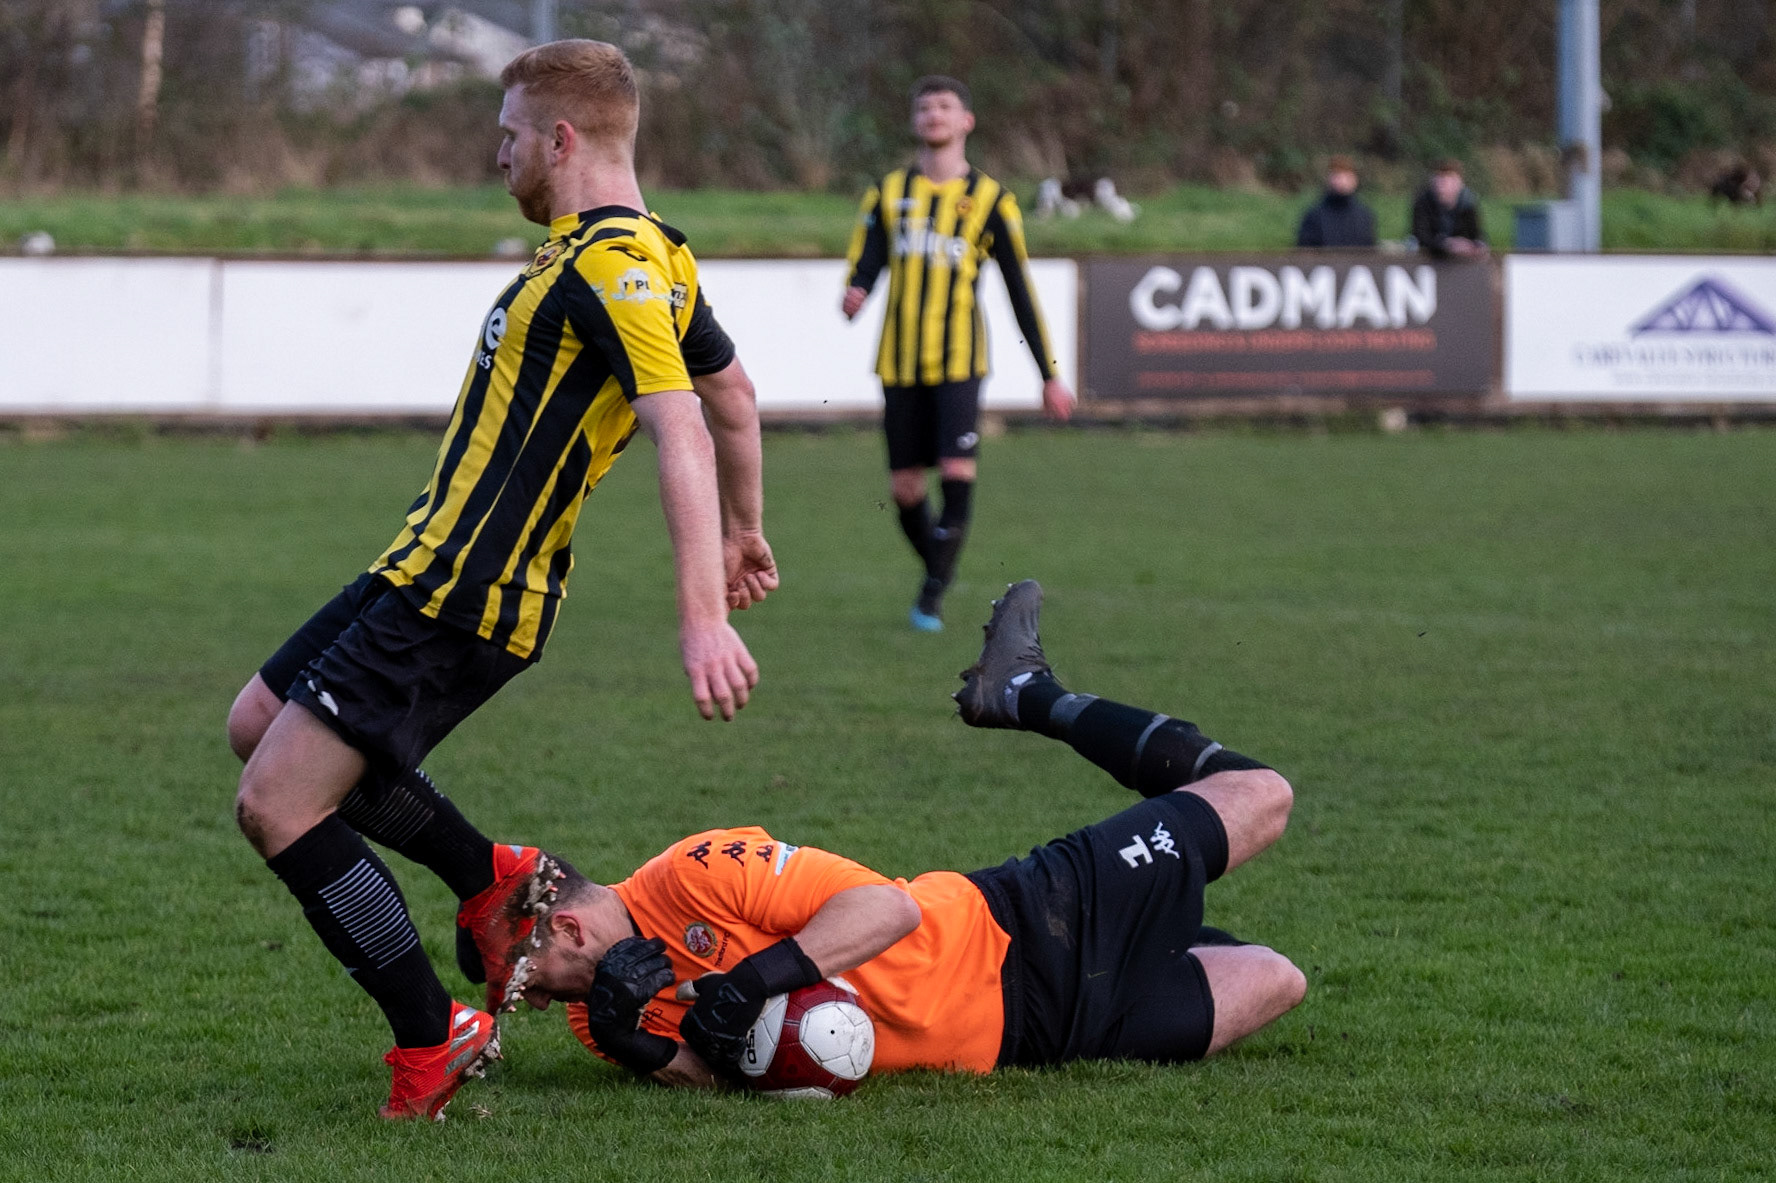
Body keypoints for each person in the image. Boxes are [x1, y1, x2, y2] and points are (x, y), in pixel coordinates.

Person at [223, 39, 779, 1121]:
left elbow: (683, 424)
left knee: (277, 804)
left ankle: (431, 1034)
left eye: (510, 134)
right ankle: (489, 874)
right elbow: (738, 396)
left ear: (561, 140)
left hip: (464, 591)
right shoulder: (651, 255)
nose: (500, 154)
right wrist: (747, 529)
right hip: (420, 566)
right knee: (257, 724)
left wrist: (704, 613)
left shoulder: (616, 265)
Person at [511, 581, 1306, 1087]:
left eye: (528, 979)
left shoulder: (695, 870)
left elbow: (888, 909)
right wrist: (635, 1045)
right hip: (1033, 1039)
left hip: (1019, 930)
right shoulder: (594, 1014)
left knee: (1263, 794)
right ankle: (1156, 930)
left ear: (567, 926)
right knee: (1277, 978)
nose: (539, 1003)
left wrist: (756, 981)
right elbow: (710, 1078)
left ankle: (1029, 694)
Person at [842, 77, 1076, 634]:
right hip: (898, 361)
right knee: (904, 489)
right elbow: (868, 258)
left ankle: (931, 595)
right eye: (924, 107)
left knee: (955, 468)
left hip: (960, 361)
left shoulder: (992, 200)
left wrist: (1049, 375)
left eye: (945, 107)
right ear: (914, 121)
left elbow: (1020, 290)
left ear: (966, 121)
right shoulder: (888, 191)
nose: (934, 115)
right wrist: (857, 289)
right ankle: (940, 569)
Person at [1410, 159, 1488, 258]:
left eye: (1447, 180)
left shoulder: (1468, 203)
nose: (1442, 185)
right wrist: (1445, 244)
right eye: (1439, 179)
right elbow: (1420, 235)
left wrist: (1474, 246)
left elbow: (1476, 234)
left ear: (1459, 183)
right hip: (1431, 255)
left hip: (1461, 258)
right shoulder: (1423, 201)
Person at [1296, 154, 1378, 248]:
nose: (1342, 181)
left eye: (1346, 177)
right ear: (1329, 179)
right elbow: (1305, 250)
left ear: (1355, 180)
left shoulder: (1364, 215)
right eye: (1337, 176)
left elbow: (1369, 248)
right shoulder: (1314, 215)